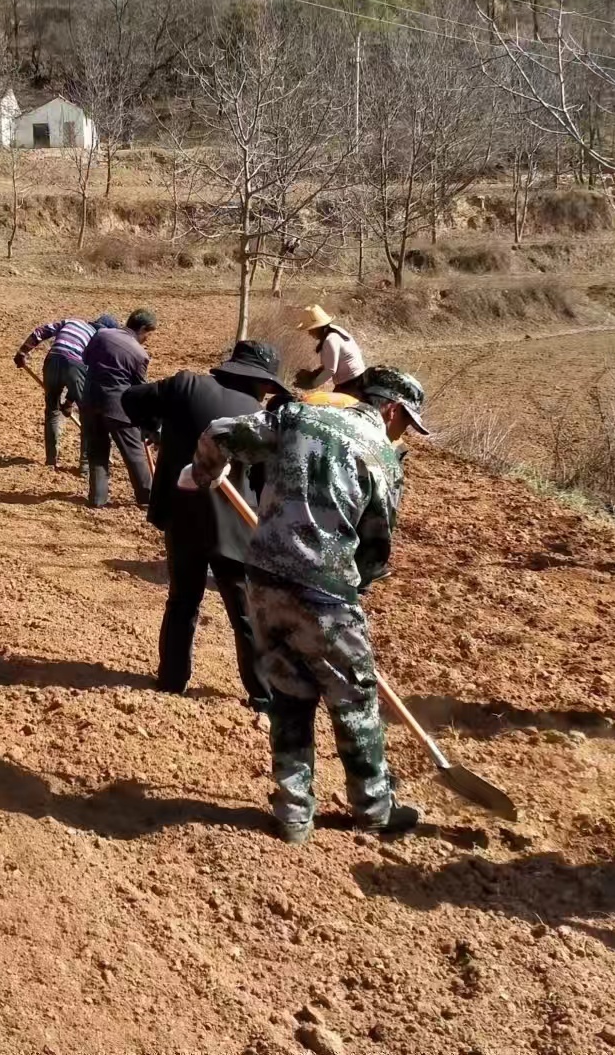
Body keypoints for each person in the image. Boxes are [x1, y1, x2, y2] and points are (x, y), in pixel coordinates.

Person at [188, 366, 430, 844]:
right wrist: (356, 589)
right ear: (390, 408)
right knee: (354, 697)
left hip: (263, 578)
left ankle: (294, 813)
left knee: (290, 692)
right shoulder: (381, 454)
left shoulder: (295, 417)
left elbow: (219, 433)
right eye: (408, 423)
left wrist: (206, 473)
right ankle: (374, 809)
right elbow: (376, 550)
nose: (406, 434)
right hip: (325, 586)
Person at [122, 340, 289, 712]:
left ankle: (171, 680)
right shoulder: (260, 420)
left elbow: (131, 399)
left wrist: (155, 430)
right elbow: (265, 484)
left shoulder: (185, 386)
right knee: (245, 612)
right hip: (234, 529)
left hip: (181, 517)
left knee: (182, 600)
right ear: (262, 383)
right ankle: (263, 697)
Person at [14, 313, 112, 470]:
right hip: (75, 366)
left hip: (52, 361)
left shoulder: (73, 322)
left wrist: (23, 351)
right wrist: (69, 402)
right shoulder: (97, 338)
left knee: (52, 411)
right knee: (87, 415)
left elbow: (41, 331)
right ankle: (85, 466)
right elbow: (85, 375)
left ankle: (51, 460)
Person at [81, 308, 157, 508]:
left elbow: (85, 359)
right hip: (118, 408)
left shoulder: (101, 334)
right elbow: (139, 389)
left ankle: (97, 499)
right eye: (148, 334)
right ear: (142, 328)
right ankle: (147, 498)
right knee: (134, 454)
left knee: (97, 452)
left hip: (89, 401)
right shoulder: (140, 354)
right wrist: (147, 421)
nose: (147, 339)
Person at [293, 305, 368, 397]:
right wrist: (315, 373)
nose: (309, 333)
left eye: (310, 329)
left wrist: (312, 385)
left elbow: (330, 370)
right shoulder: (335, 330)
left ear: (317, 327)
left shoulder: (330, 340)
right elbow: (332, 362)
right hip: (356, 379)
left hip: (352, 383)